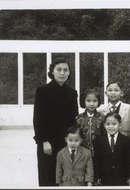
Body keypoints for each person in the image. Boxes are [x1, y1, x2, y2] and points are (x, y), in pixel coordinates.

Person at [33, 58, 79, 186]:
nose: (62, 73)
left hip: (66, 142)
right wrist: (43, 141)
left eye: (65, 70)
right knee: (47, 175)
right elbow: (38, 118)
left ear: (69, 72)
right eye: (59, 70)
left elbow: (73, 119)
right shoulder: (42, 91)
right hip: (48, 142)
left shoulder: (72, 93)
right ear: (52, 72)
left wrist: (72, 141)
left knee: (65, 175)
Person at [94, 112, 130, 186]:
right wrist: (97, 176)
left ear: (120, 125)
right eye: (108, 124)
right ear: (104, 125)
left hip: (122, 176)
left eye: (114, 124)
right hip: (105, 176)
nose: (111, 126)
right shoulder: (99, 140)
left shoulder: (126, 140)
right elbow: (97, 160)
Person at [75, 88, 105, 158]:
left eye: (94, 101)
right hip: (82, 151)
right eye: (88, 101)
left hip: (99, 151)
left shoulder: (102, 117)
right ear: (83, 101)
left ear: (98, 102)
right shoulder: (79, 118)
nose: (92, 104)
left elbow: (104, 134)